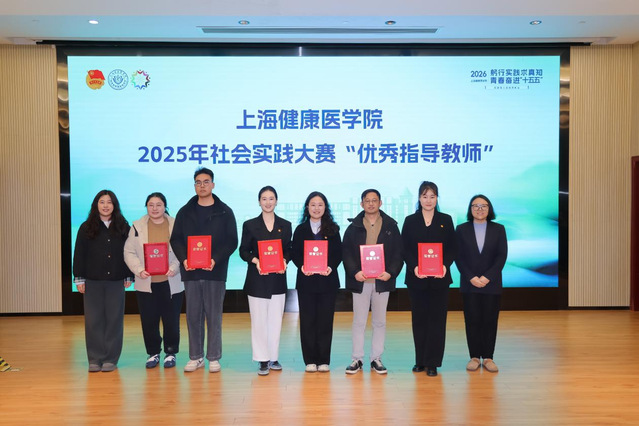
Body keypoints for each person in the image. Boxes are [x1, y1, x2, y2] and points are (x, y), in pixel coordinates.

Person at [170, 167, 238, 373]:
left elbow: (232, 241)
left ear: (213, 185)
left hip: (215, 272)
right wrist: (184, 259)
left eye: (206, 182)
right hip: (191, 272)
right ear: (194, 186)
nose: (202, 185)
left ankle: (214, 357)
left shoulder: (225, 211)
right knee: (193, 316)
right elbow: (176, 239)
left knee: (214, 316)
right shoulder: (185, 212)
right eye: (198, 182)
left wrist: (215, 259)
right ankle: (196, 357)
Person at [342, 189, 403, 375]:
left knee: (379, 322)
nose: (370, 203)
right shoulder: (353, 227)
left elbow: (398, 253)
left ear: (380, 203)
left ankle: (376, 358)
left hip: (382, 281)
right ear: (361, 204)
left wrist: (391, 272)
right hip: (361, 281)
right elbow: (346, 253)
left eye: (374, 200)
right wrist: (355, 272)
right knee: (359, 322)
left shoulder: (391, 226)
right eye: (367, 201)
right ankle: (357, 359)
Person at [401, 181, 457, 377]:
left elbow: (452, 247)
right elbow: (404, 248)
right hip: (416, 278)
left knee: (437, 320)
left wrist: (445, 265)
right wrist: (414, 266)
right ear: (419, 198)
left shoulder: (445, 220)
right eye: (425, 196)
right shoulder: (410, 220)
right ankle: (420, 360)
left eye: (432, 196)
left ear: (437, 198)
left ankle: (433, 362)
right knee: (419, 320)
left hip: (440, 279)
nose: (428, 200)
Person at [73, 190, 132, 372]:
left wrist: (129, 274)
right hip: (92, 281)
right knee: (93, 321)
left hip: (116, 280)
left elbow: (129, 252)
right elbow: (79, 253)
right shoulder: (86, 227)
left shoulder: (123, 226)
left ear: (115, 205)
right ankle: (95, 358)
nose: (106, 205)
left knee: (114, 320)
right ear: (96, 205)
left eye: (109, 202)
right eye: (102, 202)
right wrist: (79, 278)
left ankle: (110, 359)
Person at [124, 192, 184, 369]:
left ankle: (171, 352)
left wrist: (174, 267)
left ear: (165, 206)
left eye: (159, 204)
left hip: (171, 281)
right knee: (149, 320)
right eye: (151, 205)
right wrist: (139, 269)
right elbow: (128, 252)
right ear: (146, 207)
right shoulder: (137, 226)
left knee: (171, 320)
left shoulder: (176, 224)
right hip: (146, 283)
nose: (155, 208)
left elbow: (183, 249)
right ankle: (153, 353)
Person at [239, 186, 292, 376]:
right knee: (259, 322)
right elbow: (243, 251)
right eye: (264, 199)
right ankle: (262, 359)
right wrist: (256, 261)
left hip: (277, 279)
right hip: (257, 280)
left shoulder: (285, 225)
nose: (268, 202)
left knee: (276, 321)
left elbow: (289, 249)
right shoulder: (250, 225)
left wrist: (284, 260)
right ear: (259, 201)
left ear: (276, 201)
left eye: (271, 199)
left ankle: (273, 357)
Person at [291, 191, 343, 373]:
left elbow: (338, 253)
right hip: (306, 282)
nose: (316, 208)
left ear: (325, 207)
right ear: (307, 207)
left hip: (327, 282)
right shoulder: (300, 230)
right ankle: (310, 360)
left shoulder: (333, 229)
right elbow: (295, 252)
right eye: (313, 205)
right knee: (307, 321)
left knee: (325, 321)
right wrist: (301, 265)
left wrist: (330, 266)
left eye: (320, 204)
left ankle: (323, 360)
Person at [456, 194, 507, 373]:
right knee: (472, 320)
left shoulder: (498, 229)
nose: (479, 209)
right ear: (470, 209)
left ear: (489, 208)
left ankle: (488, 357)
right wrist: (471, 277)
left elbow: (502, 256)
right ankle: (475, 357)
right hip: (469, 283)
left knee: (490, 321)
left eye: (483, 206)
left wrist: (487, 277)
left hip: (491, 284)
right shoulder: (461, 229)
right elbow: (459, 256)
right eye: (475, 206)